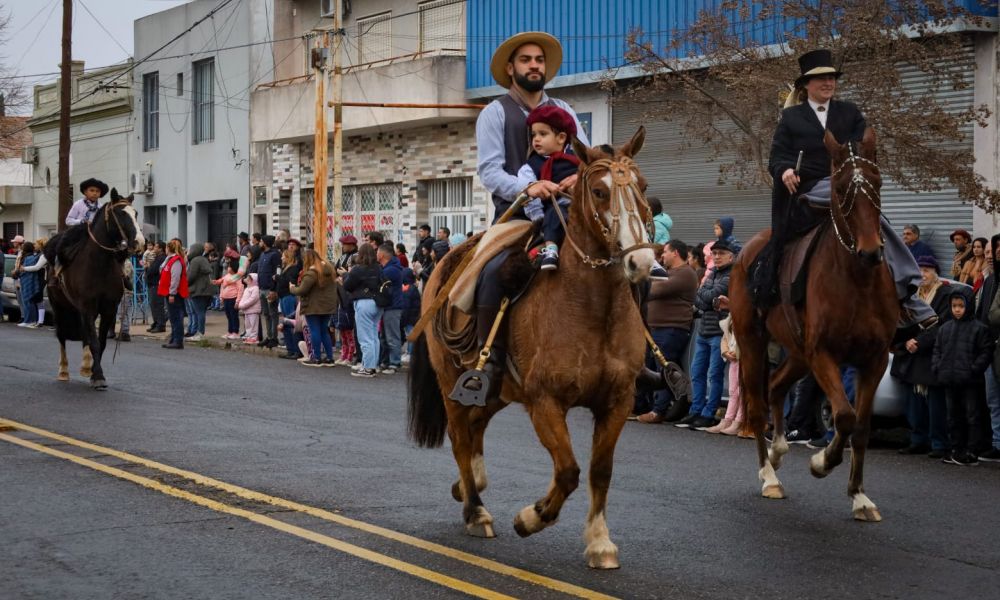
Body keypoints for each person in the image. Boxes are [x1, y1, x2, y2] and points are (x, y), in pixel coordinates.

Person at [753, 49, 936, 332]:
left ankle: (908, 297)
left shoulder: (849, 112)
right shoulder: (791, 118)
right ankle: (776, 296)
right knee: (784, 238)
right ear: (806, 85)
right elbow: (776, 156)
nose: (828, 83)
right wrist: (785, 171)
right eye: (821, 79)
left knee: (878, 224)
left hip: (847, 184)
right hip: (810, 188)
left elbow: (863, 146)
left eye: (831, 78)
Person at [891, 256, 952, 457]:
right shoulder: (911, 295)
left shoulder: (944, 293)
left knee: (935, 406)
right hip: (910, 358)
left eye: (927, 270)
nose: (923, 274)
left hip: (931, 357)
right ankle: (918, 440)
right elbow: (901, 321)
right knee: (913, 404)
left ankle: (938, 443)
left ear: (935, 272)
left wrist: (919, 342)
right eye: (920, 270)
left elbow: (942, 323)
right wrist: (905, 341)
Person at [636, 240, 698, 423]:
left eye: (665, 252)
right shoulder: (667, 273)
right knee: (649, 368)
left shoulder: (686, 273)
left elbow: (654, 290)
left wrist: (641, 283)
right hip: (655, 329)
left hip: (671, 329)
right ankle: (644, 405)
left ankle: (658, 411)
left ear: (676, 253)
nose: (661, 256)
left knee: (665, 368)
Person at [676, 239, 735, 430]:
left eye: (721, 253)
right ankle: (696, 410)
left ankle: (709, 414)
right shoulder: (711, 274)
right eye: (714, 253)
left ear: (731, 256)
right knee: (697, 373)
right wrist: (708, 298)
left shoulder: (731, 275)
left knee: (714, 375)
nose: (716, 257)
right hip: (704, 331)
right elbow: (699, 297)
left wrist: (706, 297)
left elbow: (708, 296)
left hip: (719, 332)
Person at [933, 286, 995, 466]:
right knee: (953, 416)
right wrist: (938, 367)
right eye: (954, 306)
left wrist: (974, 369)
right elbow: (937, 349)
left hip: (970, 381)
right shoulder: (945, 328)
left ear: (969, 305)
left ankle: (971, 451)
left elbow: (986, 351)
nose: (957, 309)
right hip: (949, 378)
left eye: (961, 306)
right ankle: (956, 449)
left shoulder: (979, 329)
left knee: (972, 416)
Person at [514, 104, 579, 270]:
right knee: (552, 216)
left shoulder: (579, 161)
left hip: (580, 210)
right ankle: (551, 249)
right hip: (553, 210)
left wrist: (580, 179)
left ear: (561, 137)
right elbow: (530, 200)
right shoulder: (530, 167)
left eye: (543, 134)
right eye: (534, 134)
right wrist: (539, 220)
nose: (536, 139)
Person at [290, 249, 340, 367]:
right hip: (328, 306)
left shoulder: (312, 273)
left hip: (314, 306)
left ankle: (316, 357)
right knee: (324, 331)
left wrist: (292, 288)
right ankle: (329, 358)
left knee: (314, 331)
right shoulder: (329, 270)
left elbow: (302, 290)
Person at [343, 244, 383, 378]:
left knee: (365, 337)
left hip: (363, 303)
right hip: (378, 303)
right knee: (373, 335)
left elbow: (347, 285)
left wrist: (345, 275)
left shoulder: (357, 269)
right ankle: (373, 365)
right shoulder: (379, 268)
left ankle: (367, 368)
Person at [705, 315, 744, 435]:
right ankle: (728, 419)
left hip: (745, 359)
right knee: (733, 391)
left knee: (742, 392)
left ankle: (739, 421)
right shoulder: (732, 316)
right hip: (733, 359)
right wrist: (725, 351)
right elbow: (725, 337)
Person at [376, 242, 405, 374]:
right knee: (384, 336)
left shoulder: (391, 270)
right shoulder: (388, 267)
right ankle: (386, 361)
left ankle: (395, 362)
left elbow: (378, 282)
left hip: (392, 307)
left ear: (381, 255)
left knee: (392, 336)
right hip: (387, 306)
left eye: (377, 252)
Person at [159, 239, 189, 349]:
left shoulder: (176, 260)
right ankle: (173, 339)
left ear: (168, 248)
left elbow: (175, 278)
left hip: (174, 293)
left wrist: (172, 293)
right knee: (173, 317)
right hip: (169, 292)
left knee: (176, 317)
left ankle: (178, 340)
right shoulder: (170, 259)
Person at [256, 235, 282, 348]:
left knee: (273, 313)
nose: (259, 243)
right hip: (261, 288)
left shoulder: (275, 254)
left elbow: (277, 272)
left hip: (270, 289)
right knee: (266, 314)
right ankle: (269, 336)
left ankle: (274, 338)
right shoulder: (262, 254)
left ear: (265, 242)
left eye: (261, 241)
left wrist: (274, 289)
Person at [185, 243, 213, 342]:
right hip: (205, 290)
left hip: (197, 290)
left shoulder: (195, 261)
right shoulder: (203, 260)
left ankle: (200, 333)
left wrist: (184, 283)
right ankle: (199, 332)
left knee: (198, 313)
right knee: (200, 312)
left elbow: (191, 276)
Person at [213, 259, 243, 340]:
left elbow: (240, 289)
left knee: (234, 316)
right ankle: (230, 331)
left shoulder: (237, 277)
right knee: (229, 316)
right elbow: (222, 283)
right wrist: (221, 297)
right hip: (226, 299)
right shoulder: (227, 276)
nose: (228, 268)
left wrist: (238, 301)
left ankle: (235, 332)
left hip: (233, 298)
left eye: (229, 266)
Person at [146, 242, 167, 333]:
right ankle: (156, 322)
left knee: (158, 305)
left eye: (156, 247)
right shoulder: (157, 258)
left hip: (156, 284)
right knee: (153, 304)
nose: (154, 248)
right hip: (152, 284)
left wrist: (148, 267)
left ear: (160, 249)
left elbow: (153, 270)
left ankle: (160, 324)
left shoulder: (161, 258)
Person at [238, 273, 262, 345]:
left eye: (249, 279)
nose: (247, 280)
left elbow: (253, 299)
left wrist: (244, 305)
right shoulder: (247, 289)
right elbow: (243, 298)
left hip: (253, 310)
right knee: (247, 324)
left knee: (253, 324)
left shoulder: (255, 288)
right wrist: (241, 304)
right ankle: (249, 335)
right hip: (247, 310)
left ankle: (254, 337)